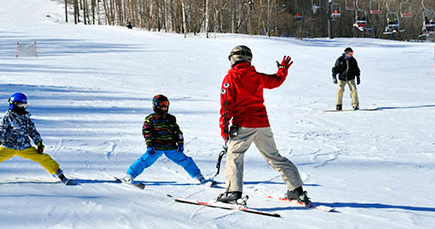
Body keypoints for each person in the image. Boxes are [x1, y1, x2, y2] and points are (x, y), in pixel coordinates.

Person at [216, 45, 309, 205]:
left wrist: (224, 130)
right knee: (274, 156)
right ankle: (296, 190)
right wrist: (282, 70)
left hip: (243, 125)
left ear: (232, 59)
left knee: (235, 157)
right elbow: (275, 81)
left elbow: (226, 106)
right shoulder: (256, 76)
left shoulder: (230, 79)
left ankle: (233, 193)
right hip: (262, 124)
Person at [0, 93, 73, 185]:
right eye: (20, 105)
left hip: (24, 146)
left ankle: (58, 173)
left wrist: (38, 142)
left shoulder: (26, 118)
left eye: (24, 105)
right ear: (13, 104)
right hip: (8, 146)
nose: (23, 107)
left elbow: (32, 131)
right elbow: (0, 130)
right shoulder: (7, 118)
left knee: (43, 157)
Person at [121, 94, 209, 186]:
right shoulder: (151, 119)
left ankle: (199, 177)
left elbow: (177, 132)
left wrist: (180, 143)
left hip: (171, 147)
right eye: (161, 104)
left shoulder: (171, 118)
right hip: (156, 147)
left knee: (185, 161)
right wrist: (150, 145)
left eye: (166, 104)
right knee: (144, 161)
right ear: (155, 105)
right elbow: (147, 132)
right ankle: (129, 176)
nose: (164, 107)